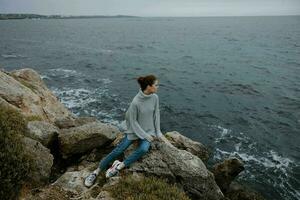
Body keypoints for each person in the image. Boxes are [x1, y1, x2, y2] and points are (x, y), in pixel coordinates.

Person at [84, 75, 165, 187]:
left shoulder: (155, 97)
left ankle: (119, 166)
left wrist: (158, 132)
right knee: (118, 150)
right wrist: (145, 135)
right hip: (133, 131)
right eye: (156, 85)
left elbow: (156, 114)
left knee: (144, 149)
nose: (158, 87)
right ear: (148, 86)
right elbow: (133, 122)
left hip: (149, 130)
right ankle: (96, 172)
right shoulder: (135, 102)